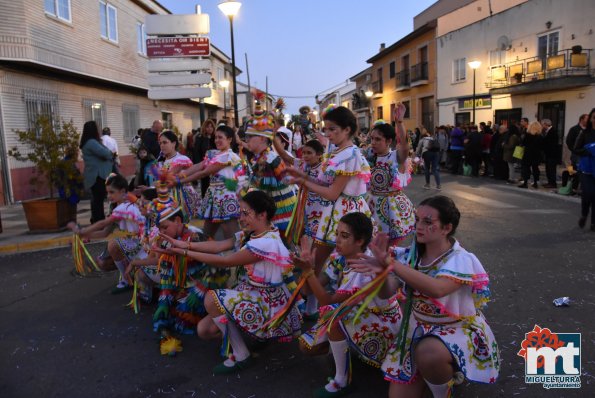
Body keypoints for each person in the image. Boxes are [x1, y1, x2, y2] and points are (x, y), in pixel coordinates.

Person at [350, 195, 500, 398]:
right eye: (417, 220)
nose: (419, 226)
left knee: (429, 353)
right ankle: (436, 375)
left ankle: (443, 390)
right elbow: (387, 292)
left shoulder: (461, 259)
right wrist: (381, 273)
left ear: (446, 228)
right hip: (417, 330)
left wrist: (391, 264)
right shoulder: (410, 256)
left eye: (428, 222)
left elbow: (437, 289)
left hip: (454, 329)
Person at [159, 190, 303, 373]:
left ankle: (242, 354)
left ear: (262, 214)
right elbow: (219, 245)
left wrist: (183, 252)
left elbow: (225, 261)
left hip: (266, 303)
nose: (240, 218)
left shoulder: (265, 242)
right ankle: (257, 336)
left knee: (211, 299)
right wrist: (183, 244)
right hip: (251, 293)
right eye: (240, 212)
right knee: (205, 330)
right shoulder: (255, 233)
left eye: (245, 213)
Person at [293, 213, 402, 397]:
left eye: (344, 236)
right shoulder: (340, 257)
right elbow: (308, 291)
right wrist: (307, 269)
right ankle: (344, 348)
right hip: (358, 314)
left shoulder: (363, 267)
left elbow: (327, 300)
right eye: (337, 234)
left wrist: (308, 273)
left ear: (360, 241)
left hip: (383, 323)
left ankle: (342, 381)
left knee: (335, 320)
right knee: (308, 346)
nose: (337, 240)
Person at [286, 105, 371, 297]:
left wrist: (304, 182)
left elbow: (332, 193)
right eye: (327, 129)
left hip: (343, 214)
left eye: (333, 129)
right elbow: (326, 184)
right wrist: (302, 176)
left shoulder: (349, 155)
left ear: (347, 130)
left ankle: (318, 305)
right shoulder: (340, 152)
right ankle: (314, 306)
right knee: (324, 265)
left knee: (324, 265)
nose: (328, 134)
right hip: (338, 211)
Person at [68, 173, 145, 293]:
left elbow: (102, 224)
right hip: (138, 244)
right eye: (108, 192)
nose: (109, 196)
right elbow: (104, 233)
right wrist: (83, 236)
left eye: (112, 192)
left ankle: (128, 279)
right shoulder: (125, 205)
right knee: (109, 251)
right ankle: (129, 278)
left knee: (114, 243)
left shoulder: (124, 207)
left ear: (123, 191)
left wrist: (81, 231)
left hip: (141, 245)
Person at [242, 95, 297, 237]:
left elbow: (260, 192)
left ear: (261, 138)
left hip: (279, 218)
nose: (246, 140)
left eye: (249, 137)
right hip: (274, 215)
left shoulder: (268, 160)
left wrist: (241, 193)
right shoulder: (263, 157)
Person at [180, 125, 243, 239]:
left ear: (229, 139)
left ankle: (237, 255)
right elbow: (199, 166)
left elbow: (204, 172)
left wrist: (180, 181)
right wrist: (180, 175)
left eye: (220, 137)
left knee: (232, 238)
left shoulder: (229, 156)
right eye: (215, 137)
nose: (217, 140)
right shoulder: (214, 154)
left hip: (225, 198)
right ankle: (206, 254)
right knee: (207, 235)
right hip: (213, 197)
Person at [368, 115, 415, 245]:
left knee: (386, 246)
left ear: (389, 141)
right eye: (372, 138)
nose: (373, 142)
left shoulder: (395, 157)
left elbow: (405, 145)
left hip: (390, 208)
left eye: (378, 139)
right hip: (372, 204)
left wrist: (399, 122)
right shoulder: (369, 157)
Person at [156, 130, 201, 221]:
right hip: (168, 195)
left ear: (173, 143)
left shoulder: (181, 159)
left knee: (180, 224)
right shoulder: (163, 162)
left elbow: (169, 178)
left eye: (165, 142)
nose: (162, 145)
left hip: (181, 196)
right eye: (160, 143)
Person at [80, 120, 114, 223]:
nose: (100, 129)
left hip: (98, 175)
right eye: (97, 127)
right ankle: (98, 220)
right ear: (93, 130)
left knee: (97, 199)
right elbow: (107, 154)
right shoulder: (91, 142)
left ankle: (98, 219)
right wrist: (110, 153)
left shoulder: (92, 141)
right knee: (98, 199)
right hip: (97, 175)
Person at [574, 108, 595, 231]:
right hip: (586, 169)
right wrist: (588, 151)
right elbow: (576, 149)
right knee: (588, 194)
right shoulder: (585, 133)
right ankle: (584, 214)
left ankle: (593, 223)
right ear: (591, 119)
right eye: (594, 117)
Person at [193, 120, 217, 197]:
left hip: (215, 165)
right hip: (204, 165)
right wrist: (199, 165)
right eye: (207, 126)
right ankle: (205, 200)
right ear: (204, 128)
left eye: (211, 126)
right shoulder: (200, 138)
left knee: (214, 184)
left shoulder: (216, 137)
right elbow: (196, 152)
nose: (210, 128)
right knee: (205, 184)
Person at [518, 121, 543, 189]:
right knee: (535, 168)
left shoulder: (528, 135)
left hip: (527, 154)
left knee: (525, 168)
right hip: (536, 154)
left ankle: (525, 182)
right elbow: (542, 146)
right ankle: (535, 182)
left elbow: (523, 143)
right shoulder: (540, 136)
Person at [541, 119, 559, 188]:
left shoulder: (553, 131)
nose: (542, 126)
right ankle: (549, 182)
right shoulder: (547, 131)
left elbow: (551, 143)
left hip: (552, 154)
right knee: (548, 169)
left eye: (542, 124)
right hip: (548, 154)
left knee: (551, 169)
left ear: (546, 124)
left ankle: (553, 183)